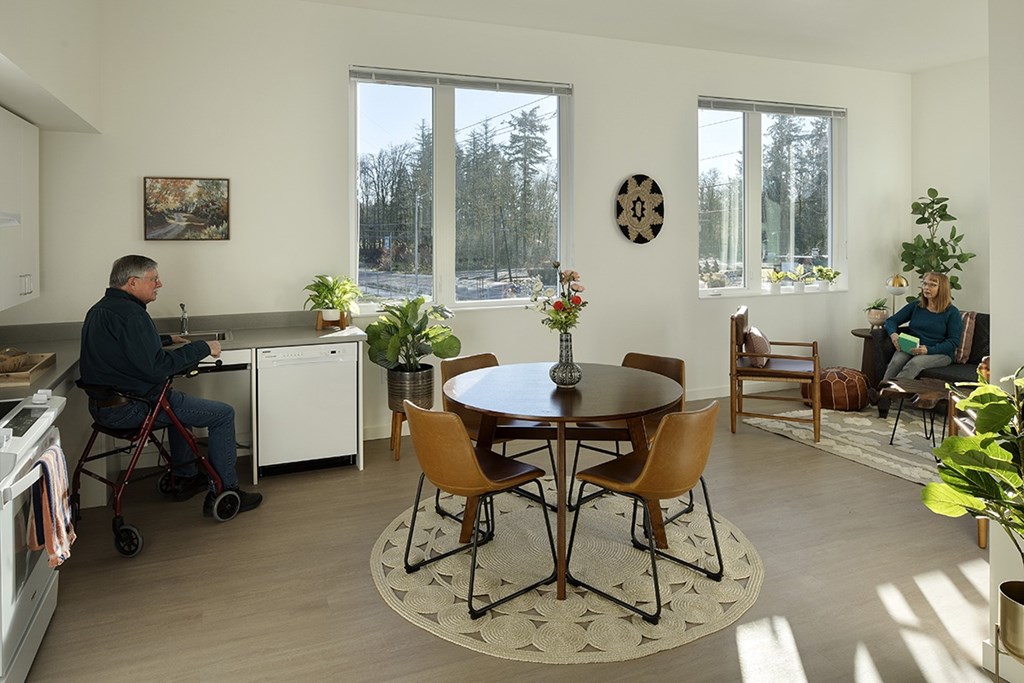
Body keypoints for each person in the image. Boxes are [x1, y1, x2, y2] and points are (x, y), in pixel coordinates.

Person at [79, 255, 262, 517]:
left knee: (180, 406)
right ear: (132, 282)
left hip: (104, 407)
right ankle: (224, 490)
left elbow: (123, 348)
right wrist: (203, 347)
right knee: (223, 414)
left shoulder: (100, 310)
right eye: (154, 279)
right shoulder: (132, 315)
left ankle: (186, 476)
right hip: (135, 408)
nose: (160, 284)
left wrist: (163, 339)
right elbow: (157, 367)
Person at [880, 271, 963, 383]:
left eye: (932, 285)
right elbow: (891, 321)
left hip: (939, 352)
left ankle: (890, 395)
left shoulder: (952, 312)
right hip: (912, 346)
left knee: (915, 363)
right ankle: (882, 392)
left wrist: (928, 350)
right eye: (924, 284)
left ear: (942, 289)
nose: (926, 288)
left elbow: (953, 342)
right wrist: (893, 334)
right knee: (895, 362)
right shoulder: (916, 306)